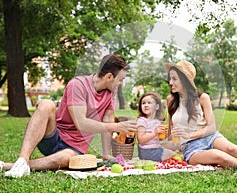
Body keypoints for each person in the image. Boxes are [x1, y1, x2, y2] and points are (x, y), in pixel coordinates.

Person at [0, 54, 137, 178]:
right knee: (46, 104)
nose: (121, 84)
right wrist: (118, 126)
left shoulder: (110, 92)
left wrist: (106, 153)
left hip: (73, 149)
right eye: (120, 80)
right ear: (109, 77)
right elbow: (81, 123)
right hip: (53, 137)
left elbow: (107, 119)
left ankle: (11, 166)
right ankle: (22, 160)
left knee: (69, 158)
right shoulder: (78, 85)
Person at [137, 92, 177, 162]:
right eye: (143, 103)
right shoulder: (142, 121)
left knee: (176, 146)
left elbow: (160, 139)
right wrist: (154, 132)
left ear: (157, 107)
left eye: (149, 103)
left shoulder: (157, 122)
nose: (146, 105)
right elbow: (141, 140)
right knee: (173, 155)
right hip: (146, 151)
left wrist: (165, 133)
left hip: (155, 148)